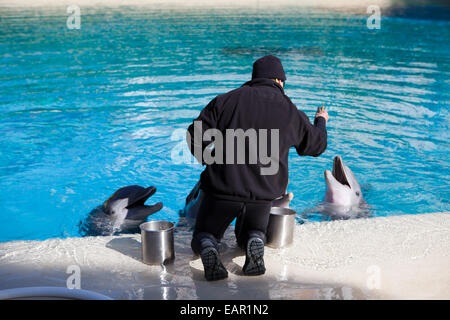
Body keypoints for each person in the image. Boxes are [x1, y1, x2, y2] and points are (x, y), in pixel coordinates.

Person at [186, 55, 328, 281]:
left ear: (254, 78)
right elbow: (316, 146)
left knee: (204, 235)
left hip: (222, 190)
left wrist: (209, 160)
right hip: (262, 195)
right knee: (250, 237)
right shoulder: (290, 110)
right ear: (279, 81)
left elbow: (194, 136)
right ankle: (256, 240)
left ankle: (208, 245)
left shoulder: (226, 101)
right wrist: (320, 120)